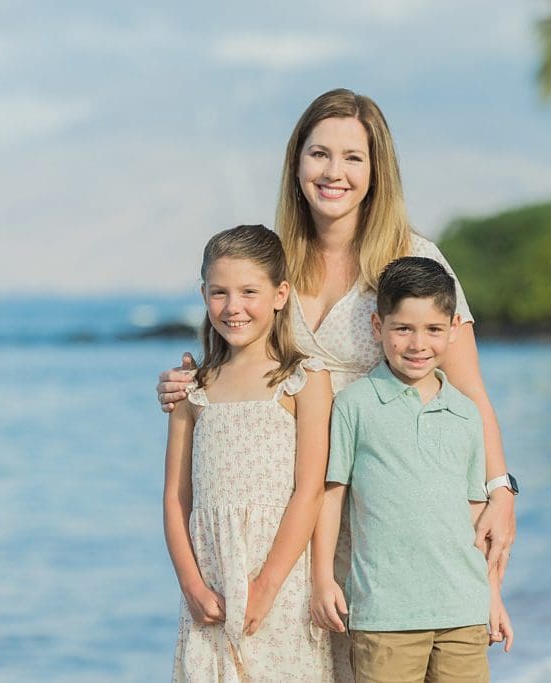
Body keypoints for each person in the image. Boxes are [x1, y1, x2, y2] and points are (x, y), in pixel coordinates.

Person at [157, 88, 520, 677]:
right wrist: (183, 387)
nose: (334, 172)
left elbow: (470, 390)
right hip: (301, 520)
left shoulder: (413, 260)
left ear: (377, 170)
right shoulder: (274, 263)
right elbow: (237, 363)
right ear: (296, 163)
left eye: (353, 157)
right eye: (319, 154)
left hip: (396, 513)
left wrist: (501, 488)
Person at [311, 257, 513, 681]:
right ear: (377, 327)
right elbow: (331, 498)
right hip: (385, 618)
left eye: (434, 330)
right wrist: (323, 579)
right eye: (403, 328)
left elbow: (478, 517)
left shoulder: (465, 413)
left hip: (463, 614)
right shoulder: (353, 407)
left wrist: (492, 595)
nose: (418, 344)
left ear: (453, 329)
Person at [163, 225, 334, 680]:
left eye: (248, 292)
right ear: (203, 294)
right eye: (219, 292)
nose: (232, 307)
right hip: (210, 588)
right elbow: (176, 497)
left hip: (281, 583)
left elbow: (310, 490)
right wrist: (191, 585)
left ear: (280, 294)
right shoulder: (193, 389)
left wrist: (266, 586)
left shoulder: (304, 380)